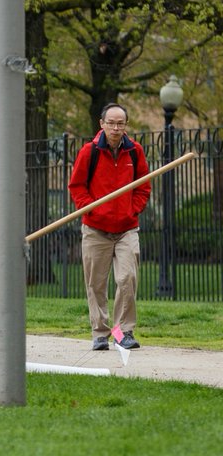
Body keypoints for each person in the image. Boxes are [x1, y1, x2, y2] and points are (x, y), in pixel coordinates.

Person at [68, 103, 150, 351]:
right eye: (111, 123)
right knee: (96, 284)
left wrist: (132, 209)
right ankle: (101, 332)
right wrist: (93, 209)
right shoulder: (88, 152)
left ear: (125, 125)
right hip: (95, 229)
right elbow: (77, 187)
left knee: (127, 278)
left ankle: (122, 332)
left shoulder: (135, 151)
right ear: (101, 124)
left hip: (126, 229)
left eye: (120, 123)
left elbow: (143, 187)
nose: (116, 128)